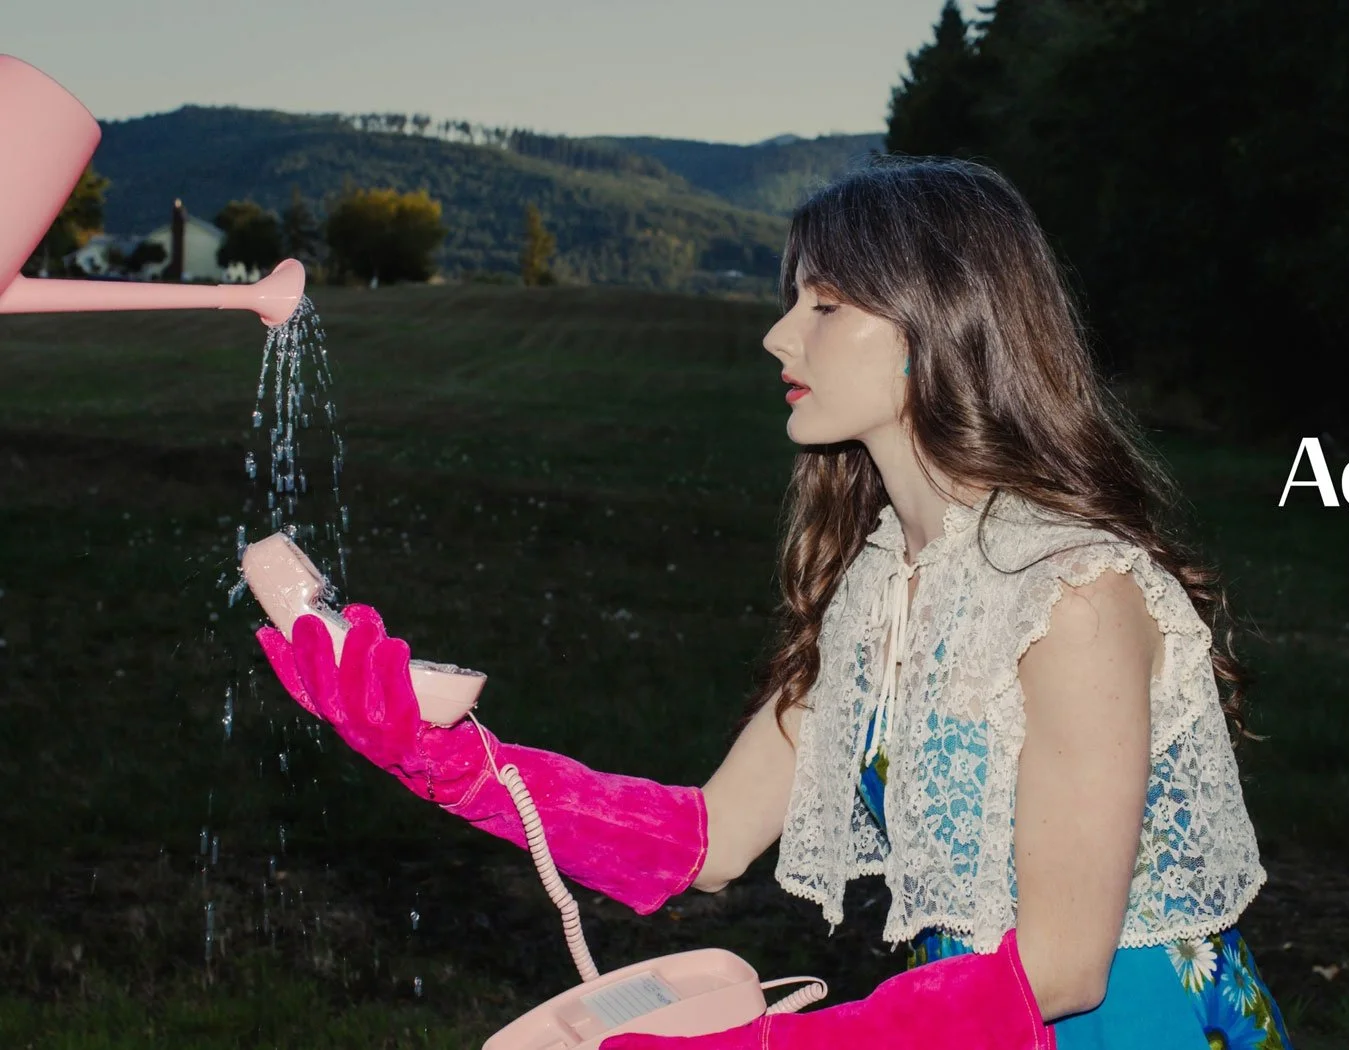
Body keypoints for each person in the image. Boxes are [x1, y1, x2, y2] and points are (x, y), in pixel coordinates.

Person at [257, 157, 1293, 1049]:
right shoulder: (885, 581)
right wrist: (441, 757)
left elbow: (1066, 968)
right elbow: (708, 838)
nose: (778, 337)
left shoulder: (1072, 594)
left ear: (937, 327)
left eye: (825, 304)